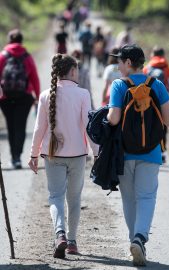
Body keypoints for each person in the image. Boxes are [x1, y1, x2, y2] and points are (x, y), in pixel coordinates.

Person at [107, 44, 169, 266]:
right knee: (147, 196)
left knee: (129, 199)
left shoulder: (119, 85)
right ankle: (140, 239)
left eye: (120, 61)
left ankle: (135, 240)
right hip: (151, 152)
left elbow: (113, 119)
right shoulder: (156, 85)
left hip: (124, 153)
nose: (118, 65)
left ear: (129, 63)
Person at [28, 54, 98, 258]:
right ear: (73, 71)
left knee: (55, 196)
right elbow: (89, 126)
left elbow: (39, 128)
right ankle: (73, 241)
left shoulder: (45, 95)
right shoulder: (83, 94)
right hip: (77, 155)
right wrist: (96, 151)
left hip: (52, 155)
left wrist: (33, 155)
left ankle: (60, 234)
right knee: (74, 199)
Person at [0, 29, 40, 169]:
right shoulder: (27, 57)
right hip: (24, 96)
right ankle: (18, 157)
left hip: (5, 97)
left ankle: (13, 156)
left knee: (11, 126)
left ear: (9, 40)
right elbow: (34, 77)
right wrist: (37, 96)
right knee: (20, 126)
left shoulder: (3, 56)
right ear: (22, 41)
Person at [143, 46, 169, 162]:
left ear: (152, 54)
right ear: (163, 55)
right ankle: (162, 152)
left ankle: (147, 149)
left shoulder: (147, 68)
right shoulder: (166, 68)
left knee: (148, 124)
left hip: (147, 101)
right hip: (163, 102)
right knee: (163, 127)